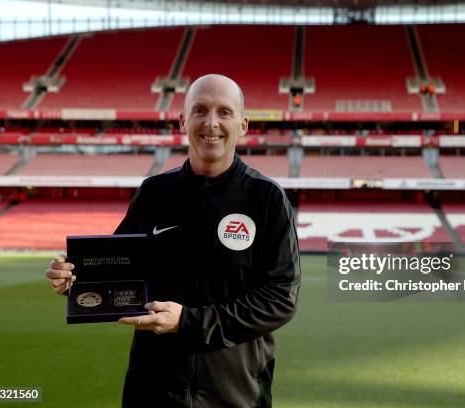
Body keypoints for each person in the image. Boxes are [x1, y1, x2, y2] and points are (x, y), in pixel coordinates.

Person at [45, 74, 301, 407]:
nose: (211, 123)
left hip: (237, 394)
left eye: (224, 112)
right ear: (183, 120)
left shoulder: (266, 198)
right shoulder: (154, 193)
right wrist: (74, 279)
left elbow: (281, 298)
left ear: (243, 125)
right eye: (200, 110)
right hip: (153, 390)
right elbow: (117, 270)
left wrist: (189, 322)